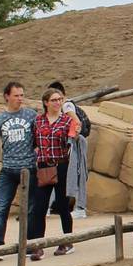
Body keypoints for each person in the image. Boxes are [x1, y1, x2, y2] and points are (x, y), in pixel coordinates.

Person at [28, 87, 80, 260]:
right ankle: (38, 245)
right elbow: (34, 142)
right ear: (46, 103)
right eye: (54, 100)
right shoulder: (38, 121)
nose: (58, 103)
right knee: (39, 207)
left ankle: (67, 240)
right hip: (43, 166)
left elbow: (73, 138)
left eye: (60, 100)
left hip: (61, 165)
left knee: (62, 206)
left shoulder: (66, 121)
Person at [0, 81, 38, 249]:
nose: (20, 99)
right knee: (2, 208)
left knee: (31, 208)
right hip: (8, 169)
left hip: (29, 167)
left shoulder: (31, 115)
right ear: (7, 96)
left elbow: (39, 139)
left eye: (22, 95)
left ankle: (30, 243)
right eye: (16, 95)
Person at [47, 80, 90, 219]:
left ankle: (79, 207)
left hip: (72, 143)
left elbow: (76, 122)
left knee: (73, 174)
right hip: (72, 143)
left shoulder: (66, 105)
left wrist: (71, 136)